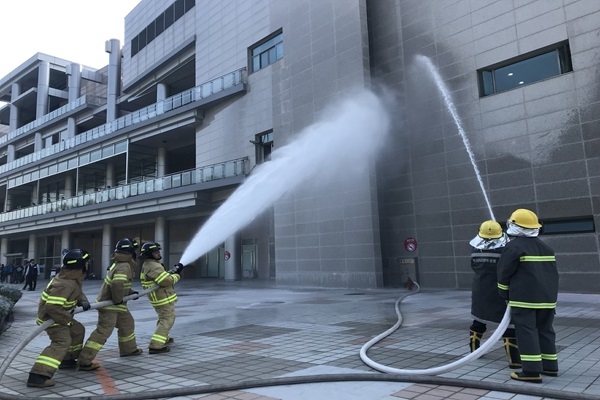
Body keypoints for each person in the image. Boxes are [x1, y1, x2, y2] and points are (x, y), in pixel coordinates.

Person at [497, 209, 559, 383]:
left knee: (526, 332)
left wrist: (503, 293)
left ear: (515, 226)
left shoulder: (513, 247)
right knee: (546, 331)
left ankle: (531, 371)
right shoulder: (547, 248)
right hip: (547, 299)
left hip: (524, 299)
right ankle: (550, 366)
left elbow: (504, 273)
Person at [27, 249, 92, 388]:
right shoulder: (65, 283)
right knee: (61, 342)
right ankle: (38, 375)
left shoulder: (71, 277)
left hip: (59, 316)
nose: (88, 265)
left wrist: (83, 301)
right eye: (87, 262)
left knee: (78, 330)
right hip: (52, 319)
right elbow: (52, 307)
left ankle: (67, 360)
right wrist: (67, 320)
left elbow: (77, 292)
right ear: (80, 265)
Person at [76, 238, 143, 371]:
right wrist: (119, 299)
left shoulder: (120, 263)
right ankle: (84, 360)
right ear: (130, 252)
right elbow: (117, 284)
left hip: (117, 304)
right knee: (103, 332)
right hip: (110, 305)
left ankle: (128, 349)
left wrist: (130, 292)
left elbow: (121, 283)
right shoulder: (124, 265)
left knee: (127, 324)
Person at [469, 220, 521, 369]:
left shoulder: (475, 250)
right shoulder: (505, 250)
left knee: (478, 321)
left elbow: (474, 267)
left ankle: (474, 351)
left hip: (480, 290)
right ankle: (514, 360)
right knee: (509, 325)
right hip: (500, 291)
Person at [139, 242, 184, 354]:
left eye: (158, 251)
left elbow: (160, 277)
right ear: (149, 254)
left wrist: (173, 271)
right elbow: (165, 281)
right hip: (162, 297)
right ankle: (156, 345)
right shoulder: (153, 265)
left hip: (160, 297)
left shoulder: (151, 264)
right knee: (168, 319)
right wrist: (177, 275)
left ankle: (164, 337)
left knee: (163, 318)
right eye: (155, 252)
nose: (158, 253)